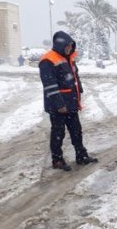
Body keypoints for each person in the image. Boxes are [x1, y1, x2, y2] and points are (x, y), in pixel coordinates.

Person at [39, 31, 98, 171]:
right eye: (67, 46)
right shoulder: (48, 60)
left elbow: (75, 77)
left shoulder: (68, 58)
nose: (70, 49)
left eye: (71, 46)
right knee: (58, 133)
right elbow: (50, 85)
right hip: (57, 106)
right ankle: (57, 160)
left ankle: (81, 155)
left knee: (76, 130)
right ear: (60, 44)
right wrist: (60, 105)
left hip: (71, 103)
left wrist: (80, 90)